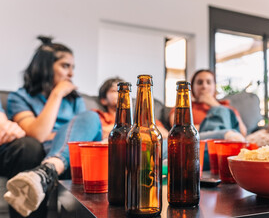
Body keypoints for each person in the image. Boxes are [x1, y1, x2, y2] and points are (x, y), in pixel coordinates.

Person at [3, 36, 102, 217]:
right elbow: (37, 135)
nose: (71, 74)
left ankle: (47, 171)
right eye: (65, 66)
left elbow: (82, 132)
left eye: (73, 68)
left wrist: (59, 135)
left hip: (76, 154)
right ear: (46, 67)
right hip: (49, 151)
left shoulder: (75, 100)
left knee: (90, 117)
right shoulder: (20, 97)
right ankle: (47, 170)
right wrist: (56, 94)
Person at [169, 69, 247, 141]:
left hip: (229, 141)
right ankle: (224, 136)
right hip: (201, 140)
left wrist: (215, 105)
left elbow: (242, 132)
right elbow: (180, 129)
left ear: (214, 86)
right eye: (200, 82)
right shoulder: (184, 107)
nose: (204, 86)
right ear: (192, 87)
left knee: (223, 110)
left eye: (209, 82)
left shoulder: (227, 107)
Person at [94, 77, 169, 142]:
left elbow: (163, 133)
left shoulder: (141, 118)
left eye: (123, 90)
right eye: (114, 91)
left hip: (142, 148)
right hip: (111, 150)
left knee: (166, 144)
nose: (120, 94)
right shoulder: (98, 116)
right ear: (103, 100)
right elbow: (100, 133)